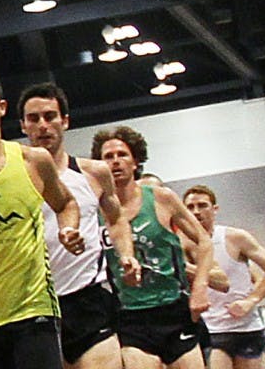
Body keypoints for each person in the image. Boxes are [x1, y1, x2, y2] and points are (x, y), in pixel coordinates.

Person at [0, 64, 84, 369]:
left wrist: (68, 230)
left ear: (1, 107)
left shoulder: (33, 161)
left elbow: (66, 203)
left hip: (34, 309)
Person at [18, 82, 141, 369]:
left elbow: (116, 218)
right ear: (23, 126)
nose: (43, 125)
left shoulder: (94, 173)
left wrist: (127, 255)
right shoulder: (13, 177)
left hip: (89, 299)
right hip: (36, 305)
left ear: (65, 121)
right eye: (34, 119)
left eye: (50, 116)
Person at [92, 126, 215, 369]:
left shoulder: (161, 198)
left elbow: (204, 241)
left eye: (122, 154)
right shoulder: (95, 210)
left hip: (173, 309)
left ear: (135, 161)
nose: (115, 162)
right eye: (108, 157)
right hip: (130, 315)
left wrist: (200, 287)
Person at [184, 184, 265, 369]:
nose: (196, 212)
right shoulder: (182, 244)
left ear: (215, 209)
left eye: (202, 205)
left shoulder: (235, 237)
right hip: (211, 330)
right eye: (190, 207)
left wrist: (251, 300)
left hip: (246, 327)